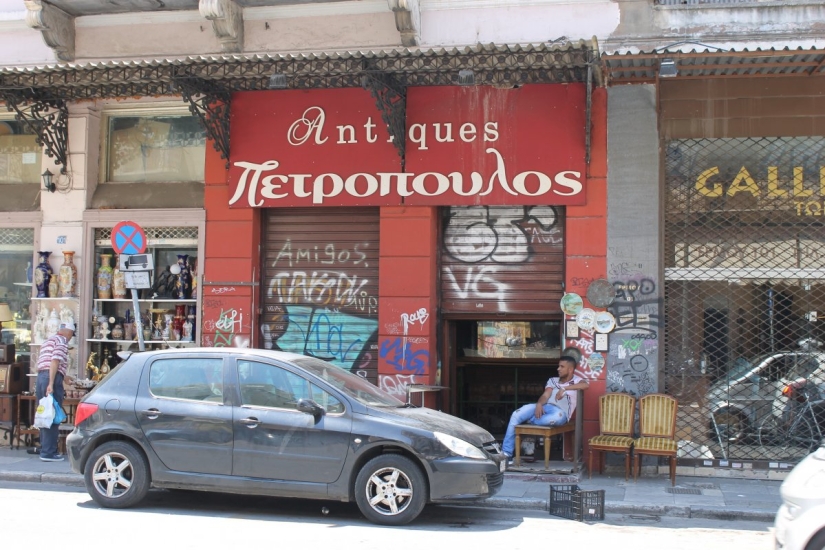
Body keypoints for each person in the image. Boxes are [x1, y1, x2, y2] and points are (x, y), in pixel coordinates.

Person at [501, 355, 589, 459]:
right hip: (545, 407)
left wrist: (565, 389)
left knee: (555, 418)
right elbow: (545, 395)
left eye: (562, 367)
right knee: (516, 414)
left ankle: (530, 420)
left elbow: (585, 385)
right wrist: (539, 404)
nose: (558, 369)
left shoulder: (578, 381)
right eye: (558, 366)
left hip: (560, 413)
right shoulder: (552, 380)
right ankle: (506, 453)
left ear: (570, 369)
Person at [35, 320, 74, 462]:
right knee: (52, 414)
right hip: (50, 379)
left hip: (41, 378)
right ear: (68, 332)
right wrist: (51, 383)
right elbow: (54, 361)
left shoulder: (48, 341)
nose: (70, 338)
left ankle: (44, 447)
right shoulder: (62, 341)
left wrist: (65, 377)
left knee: (44, 414)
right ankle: (48, 452)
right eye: (71, 334)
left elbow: (47, 363)